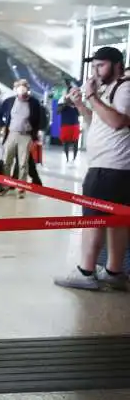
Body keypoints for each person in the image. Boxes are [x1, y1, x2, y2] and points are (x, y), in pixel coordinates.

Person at [54, 46, 129, 291]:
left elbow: (118, 122)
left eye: (101, 65)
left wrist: (93, 97)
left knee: (93, 219)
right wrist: (80, 104)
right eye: (94, 66)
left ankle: (86, 271)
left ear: (118, 64)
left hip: (109, 167)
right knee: (117, 220)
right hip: (112, 167)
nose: (95, 71)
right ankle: (114, 271)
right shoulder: (107, 89)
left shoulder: (125, 87)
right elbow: (97, 122)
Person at [0, 79, 44, 198]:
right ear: (15, 89)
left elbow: (39, 119)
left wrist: (36, 133)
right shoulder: (9, 101)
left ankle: (21, 188)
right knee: (7, 161)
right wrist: (2, 126)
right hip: (11, 134)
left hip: (26, 135)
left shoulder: (34, 103)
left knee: (23, 163)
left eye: (24, 87)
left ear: (28, 89)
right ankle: (5, 186)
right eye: (19, 87)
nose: (22, 89)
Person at [58, 81, 81, 164]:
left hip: (75, 124)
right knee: (66, 143)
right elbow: (58, 111)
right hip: (65, 125)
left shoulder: (75, 101)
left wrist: (75, 105)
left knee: (76, 142)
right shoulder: (62, 100)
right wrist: (65, 103)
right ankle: (67, 158)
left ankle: (74, 158)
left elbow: (79, 113)